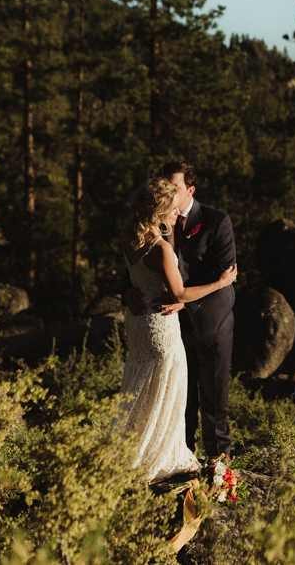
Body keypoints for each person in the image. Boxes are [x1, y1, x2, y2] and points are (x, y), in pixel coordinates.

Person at [119, 177, 237, 482]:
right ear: (159, 211)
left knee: (140, 389)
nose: (176, 215)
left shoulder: (129, 237)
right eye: (171, 210)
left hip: (138, 322)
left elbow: (136, 278)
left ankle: (130, 452)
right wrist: (221, 283)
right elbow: (180, 295)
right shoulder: (158, 247)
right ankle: (156, 456)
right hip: (160, 327)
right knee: (166, 393)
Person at [150, 161, 237, 459]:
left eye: (174, 189)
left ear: (190, 190)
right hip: (173, 326)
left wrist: (183, 298)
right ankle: (181, 462)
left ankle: (218, 470)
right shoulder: (154, 222)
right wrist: (127, 291)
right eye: (164, 188)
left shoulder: (217, 221)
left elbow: (225, 276)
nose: (169, 196)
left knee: (214, 401)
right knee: (179, 400)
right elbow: (141, 263)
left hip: (213, 323)